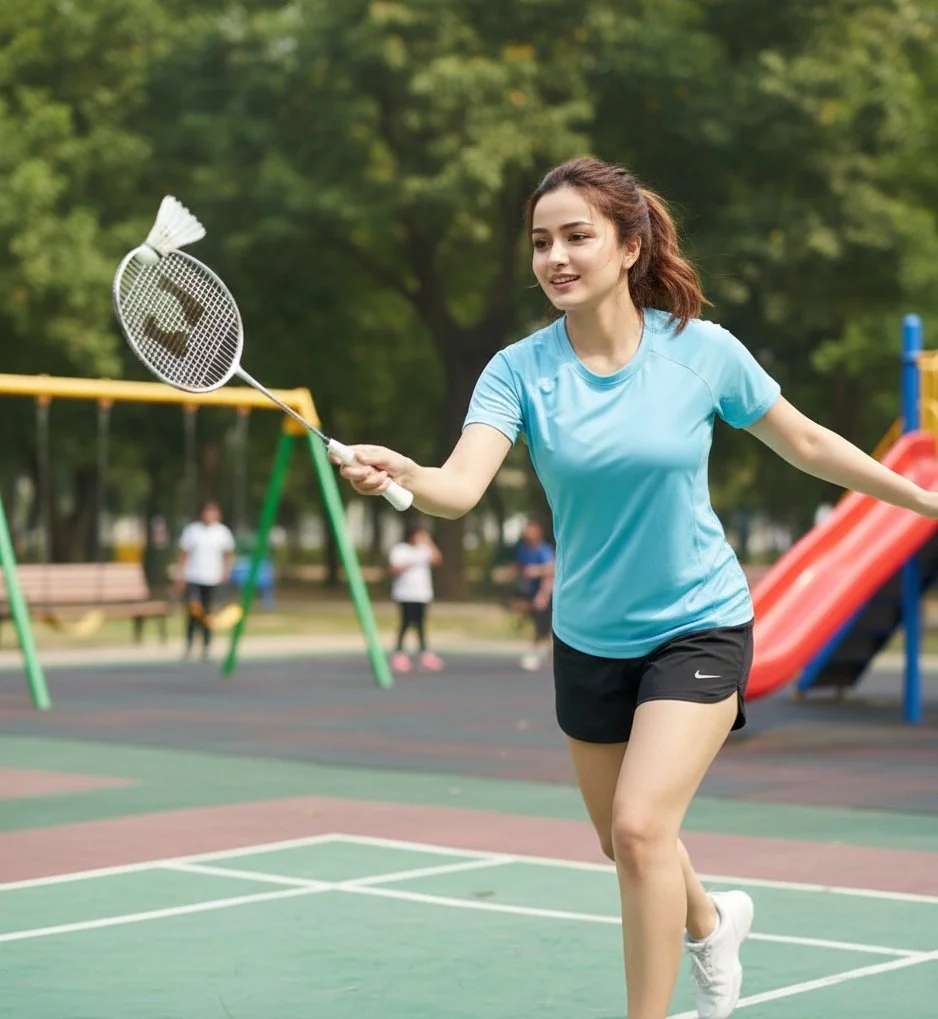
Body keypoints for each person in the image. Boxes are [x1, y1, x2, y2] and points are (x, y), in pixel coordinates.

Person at [331, 156, 938, 1019]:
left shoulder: (701, 352)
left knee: (642, 828)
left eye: (578, 235)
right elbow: (460, 488)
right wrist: (402, 472)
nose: (556, 257)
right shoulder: (517, 371)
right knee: (625, 841)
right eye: (542, 242)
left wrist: (921, 496)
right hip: (588, 636)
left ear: (629, 245)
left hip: (700, 623)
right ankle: (713, 919)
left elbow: (804, 443)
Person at [176, 500, 235, 660]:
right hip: (194, 577)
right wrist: (180, 574)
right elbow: (184, 554)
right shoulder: (192, 531)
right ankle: (189, 645)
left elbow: (228, 554)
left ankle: (206, 646)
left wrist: (225, 572)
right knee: (194, 611)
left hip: (212, 578)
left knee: (208, 615)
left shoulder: (222, 532)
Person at [388, 522, 444, 673]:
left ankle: (425, 652)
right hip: (405, 593)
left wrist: (429, 543)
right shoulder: (400, 549)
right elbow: (394, 569)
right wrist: (411, 561)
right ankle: (399, 653)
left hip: (422, 594)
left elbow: (438, 560)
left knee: (421, 624)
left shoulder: (425, 549)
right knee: (406, 622)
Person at [512, 518, 555, 670]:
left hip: (544, 593)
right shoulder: (522, 549)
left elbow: (551, 571)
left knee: (542, 626)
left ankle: (536, 653)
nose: (527, 532)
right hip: (529, 592)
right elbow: (520, 569)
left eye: (531, 529)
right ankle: (544, 649)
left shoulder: (544, 550)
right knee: (538, 625)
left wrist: (543, 595)